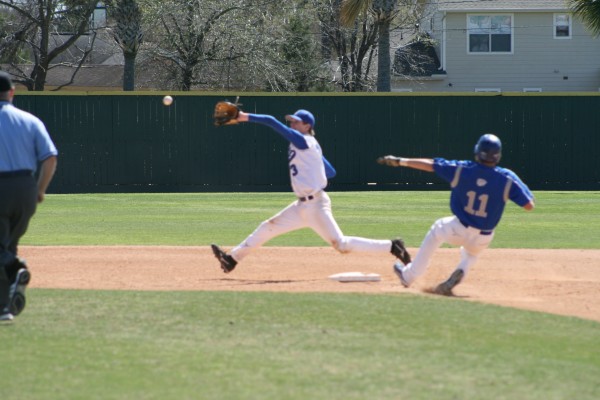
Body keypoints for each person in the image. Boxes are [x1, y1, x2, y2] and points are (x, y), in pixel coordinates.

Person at [211, 108, 411, 273]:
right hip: (301, 206)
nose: (292, 125)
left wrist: (242, 116)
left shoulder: (304, 141)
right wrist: (315, 169)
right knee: (267, 227)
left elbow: (271, 121)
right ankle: (231, 260)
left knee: (341, 245)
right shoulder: (309, 145)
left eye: (297, 122)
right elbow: (331, 171)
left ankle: (393, 246)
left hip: (316, 206)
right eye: (292, 122)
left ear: (307, 126)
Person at [377, 133, 534, 295]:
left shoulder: (462, 169)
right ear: (498, 156)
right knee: (471, 255)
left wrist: (400, 161)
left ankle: (409, 276)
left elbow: (430, 165)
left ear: (478, 152)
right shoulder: (507, 178)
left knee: (437, 229)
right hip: (484, 236)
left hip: (458, 228)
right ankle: (462, 270)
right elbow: (529, 205)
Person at [0, 71, 58, 323]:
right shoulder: (30, 120)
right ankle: (8, 295)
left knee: (2, 250)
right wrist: (40, 189)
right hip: (25, 187)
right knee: (7, 243)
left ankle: (14, 270)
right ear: (12, 93)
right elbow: (50, 157)